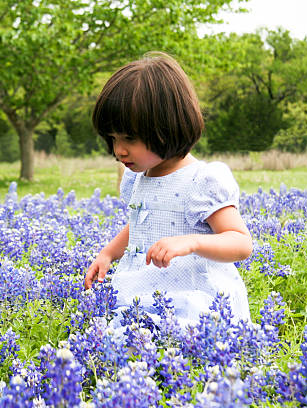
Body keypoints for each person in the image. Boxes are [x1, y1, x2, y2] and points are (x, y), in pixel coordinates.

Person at [84, 52, 253, 329]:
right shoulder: (136, 177)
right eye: (112, 138)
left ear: (166, 127)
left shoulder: (201, 180)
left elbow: (240, 243)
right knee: (123, 341)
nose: (118, 150)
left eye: (129, 138)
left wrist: (191, 242)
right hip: (143, 290)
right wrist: (108, 254)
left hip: (195, 299)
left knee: (183, 351)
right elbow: (139, 224)